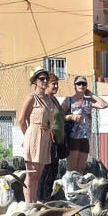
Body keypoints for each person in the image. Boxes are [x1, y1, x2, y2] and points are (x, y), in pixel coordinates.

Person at [17, 67, 59, 203]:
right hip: (34, 134)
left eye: (46, 78)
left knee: (39, 175)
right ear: (35, 81)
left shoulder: (48, 99)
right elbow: (21, 120)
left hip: (46, 136)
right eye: (42, 78)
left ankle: (34, 202)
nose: (45, 81)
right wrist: (28, 136)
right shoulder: (31, 98)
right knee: (32, 175)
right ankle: (29, 204)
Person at [62, 75, 108, 173]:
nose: (81, 85)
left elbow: (104, 105)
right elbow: (59, 117)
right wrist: (71, 117)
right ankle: (70, 188)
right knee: (72, 170)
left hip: (85, 137)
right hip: (73, 137)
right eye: (78, 83)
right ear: (75, 86)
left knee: (81, 169)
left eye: (84, 83)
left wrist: (91, 94)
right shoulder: (69, 100)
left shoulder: (88, 101)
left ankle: (78, 187)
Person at [38, 73, 64, 201]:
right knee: (46, 172)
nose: (56, 86)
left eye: (57, 84)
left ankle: (47, 198)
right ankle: (41, 199)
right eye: (53, 83)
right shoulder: (45, 100)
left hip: (57, 141)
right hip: (49, 141)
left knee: (53, 170)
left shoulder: (53, 99)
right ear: (47, 85)